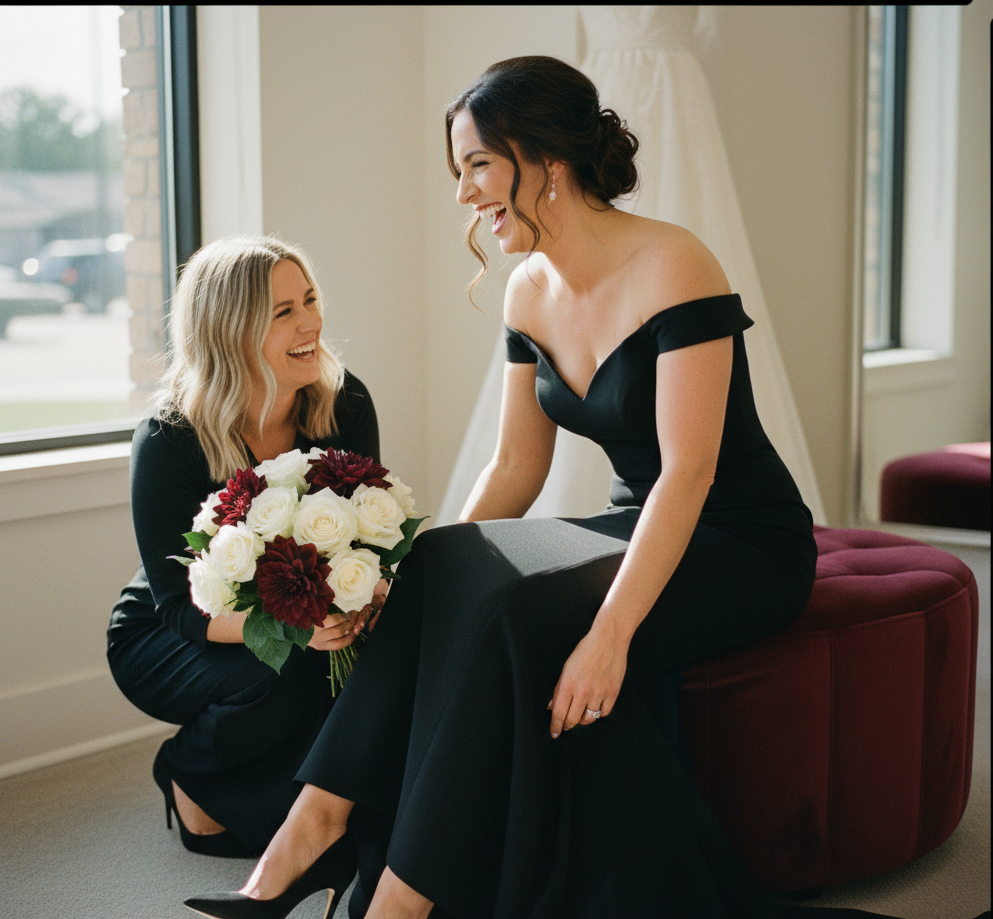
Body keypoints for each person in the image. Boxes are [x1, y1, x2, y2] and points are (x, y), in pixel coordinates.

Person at [182, 58, 960, 919]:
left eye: (478, 165)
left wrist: (610, 635)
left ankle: (399, 904)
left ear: (545, 156)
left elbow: (689, 472)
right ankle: (308, 833)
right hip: (635, 518)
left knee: (516, 616)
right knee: (438, 562)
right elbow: (516, 467)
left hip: (742, 539)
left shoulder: (675, 263)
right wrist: (414, 586)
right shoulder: (527, 290)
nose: (463, 193)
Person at [107, 235, 385, 867]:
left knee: (364, 668)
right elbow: (178, 607)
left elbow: (366, 533)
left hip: (298, 611)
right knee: (285, 674)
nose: (311, 322)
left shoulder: (345, 402)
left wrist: (365, 595)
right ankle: (188, 770)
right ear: (231, 332)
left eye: (310, 300)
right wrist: (296, 629)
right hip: (168, 631)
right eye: (283, 311)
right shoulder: (169, 438)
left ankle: (308, 812)